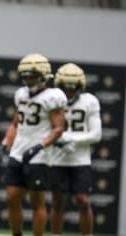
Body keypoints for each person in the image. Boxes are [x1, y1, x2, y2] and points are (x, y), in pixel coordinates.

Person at [0, 53, 67, 236]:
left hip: (39, 156)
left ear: (42, 75)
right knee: (12, 198)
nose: (27, 79)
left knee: (37, 203)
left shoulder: (53, 96)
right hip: (18, 152)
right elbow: (15, 124)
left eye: (31, 75)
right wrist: (4, 144)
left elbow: (58, 129)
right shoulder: (21, 94)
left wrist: (39, 146)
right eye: (25, 75)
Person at [50, 63, 102, 236]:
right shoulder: (51, 99)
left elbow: (96, 134)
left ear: (80, 86)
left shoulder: (90, 101)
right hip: (57, 158)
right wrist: (56, 139)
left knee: (83, 201)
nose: (69, 91)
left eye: (73, 88)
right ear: (59, 86)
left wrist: (70, 138)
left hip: (80, 159)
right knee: (57, 202)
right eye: (66, 87)